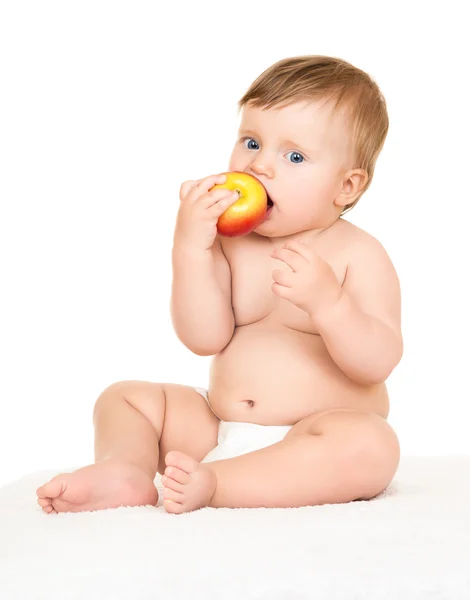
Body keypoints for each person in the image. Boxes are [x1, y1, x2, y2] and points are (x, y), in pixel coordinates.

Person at [37, 55, 402, 515]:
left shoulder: (358, 254)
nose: (260, 166)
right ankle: (125, 470)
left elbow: (377, 362)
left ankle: (218, 485)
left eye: (293, 156)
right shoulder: (232, 244)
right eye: (251, 142)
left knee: (370, 444)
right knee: (126, 398)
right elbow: (203, 338)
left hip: (312, 436)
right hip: (219, 425)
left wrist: (329, 304)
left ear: (346, 186)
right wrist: (191, 248)